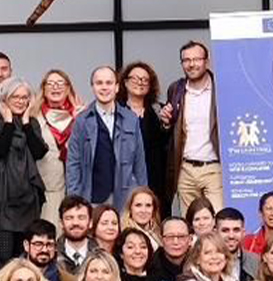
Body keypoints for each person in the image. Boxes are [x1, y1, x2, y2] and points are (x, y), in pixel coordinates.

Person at [0, 77, 48, 268]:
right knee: (3, 258)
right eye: (15, 97)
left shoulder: (32, 123)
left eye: (24, 97)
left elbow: (38, 152)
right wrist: (8, 122)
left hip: (26, 200)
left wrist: (26, 124)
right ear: (4, 98)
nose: (20, 101)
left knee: (23, 257)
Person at [65, 66, 148, 209]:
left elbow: (139, 162)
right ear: (92, 87)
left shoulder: (130, 119)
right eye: (99, 83)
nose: (104, 87)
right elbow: (73, 162)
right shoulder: (82, 121)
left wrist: (142, 195)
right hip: (92, 198)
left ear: (117, 87)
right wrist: (74, 199)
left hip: (125, 197)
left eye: (109, 83)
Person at [162, 42, 225, 214]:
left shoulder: (220, 88)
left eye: (196, 59)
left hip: (214, 168)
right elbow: (171, 129)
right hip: (185, 169)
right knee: (189, 221)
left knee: (218, 219)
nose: (191, 64)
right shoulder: (176, 89)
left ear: (207, 61)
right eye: (186, 60)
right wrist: (166, 122)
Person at [119, 60, 173, 203]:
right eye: (135, 78)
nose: (140, 82)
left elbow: (168, 145)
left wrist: (166, 125)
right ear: (125, 82)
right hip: (124, 178)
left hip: (155, 177)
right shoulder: (116, 111)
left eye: (145, 79)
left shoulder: (159, 110)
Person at [36, 69, 81, 228]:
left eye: (60, 83)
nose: (55, 87)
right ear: (43, 88)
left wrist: (78, 121)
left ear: (68, 88)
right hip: (48, 190)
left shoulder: (81, 116)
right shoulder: (34, 117)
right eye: (50, 83)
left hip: (76, 188)